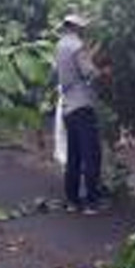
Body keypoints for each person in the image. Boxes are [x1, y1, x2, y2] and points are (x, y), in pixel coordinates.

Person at [54, 13, 105, 213]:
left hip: (67, 105)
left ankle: (72, 200)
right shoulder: (77, 46)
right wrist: (103, 72)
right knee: (91, 153)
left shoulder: (59, 46)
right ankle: (91, 202)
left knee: (73, 154)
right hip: (82, 104)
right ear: (77, 28)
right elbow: (89, 72)